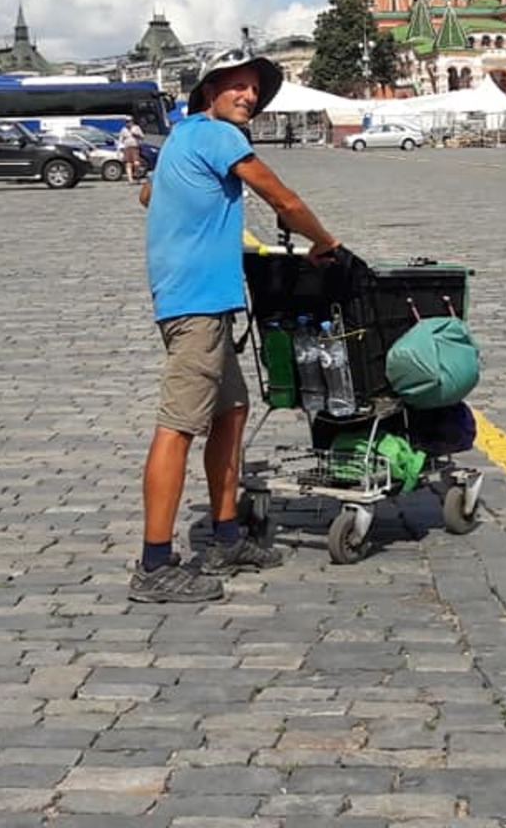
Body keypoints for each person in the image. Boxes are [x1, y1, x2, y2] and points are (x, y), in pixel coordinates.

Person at [132, 49, 340, 603]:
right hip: (195, 306)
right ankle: (154, 564)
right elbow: (282, 196)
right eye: (237, 87)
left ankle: (226, 535)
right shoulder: (221, 137)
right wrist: (325, 242)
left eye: (254, 89)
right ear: (210, 93)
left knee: (232, 409)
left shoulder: (181, 137)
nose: (249, 96)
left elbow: (147, 193)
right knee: (177, 426)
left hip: (196, 299)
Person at [119, 117, 144, 183]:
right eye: (126, 122)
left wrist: (136, 134)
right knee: (128, 164)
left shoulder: (136, 128)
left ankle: (138, 177)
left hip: (135, 148)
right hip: (127, 148)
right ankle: (130, 180)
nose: (128, 123)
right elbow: (121, 139)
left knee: (136, 164)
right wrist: (121, 147)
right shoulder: (123, 129)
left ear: (132, 122)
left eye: (129, 121)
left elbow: (142, 137)